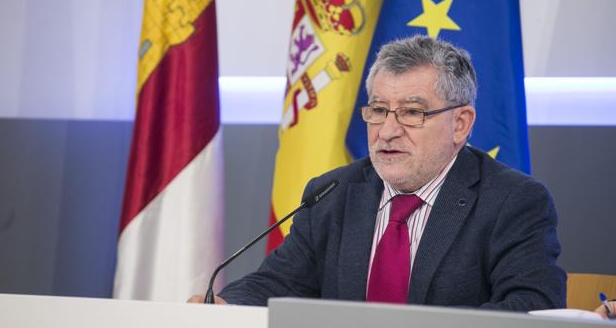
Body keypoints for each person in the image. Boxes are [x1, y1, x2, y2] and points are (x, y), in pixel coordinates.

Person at [188, 35, 566, 310]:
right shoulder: (333, 193)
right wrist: (227, 305)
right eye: (379, 110)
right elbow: (277, 283)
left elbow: (531, 305)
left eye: (412, 112)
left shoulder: (512, 202)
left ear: (461, 124)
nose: (387, 130)